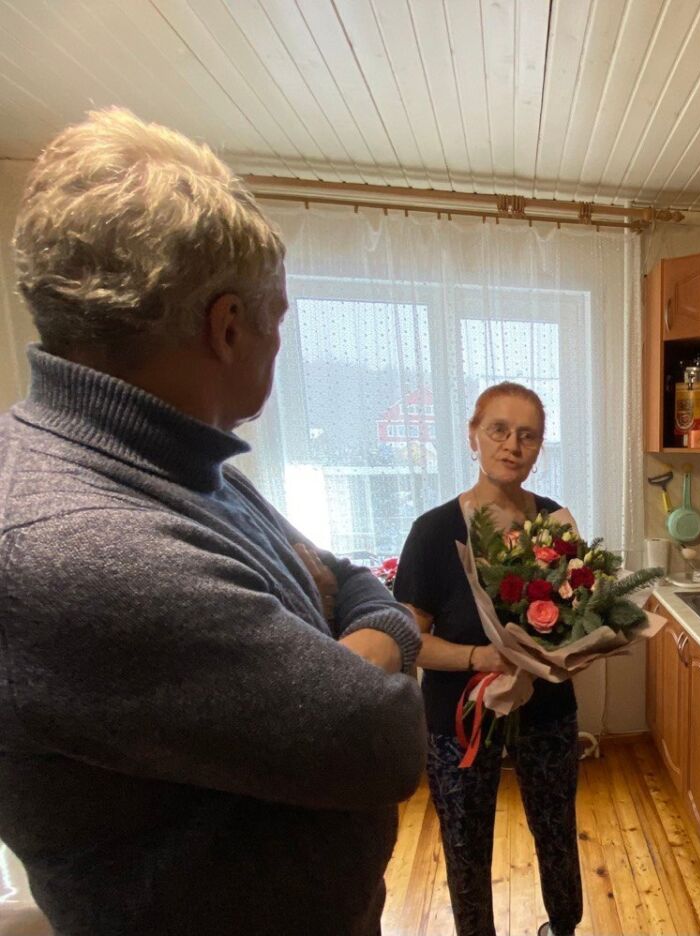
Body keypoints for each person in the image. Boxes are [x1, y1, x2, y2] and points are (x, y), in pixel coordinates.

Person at [0, 108, 427, 936]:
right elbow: (382, 737)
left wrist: (346, 628)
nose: (279, 344)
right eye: (279, 319)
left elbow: (345, 575)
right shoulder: (75, 542)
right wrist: (374, 640)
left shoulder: (176, 463)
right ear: (227, 327)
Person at [393, 383, 583, 936]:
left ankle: (564, 927)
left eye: (528, 436)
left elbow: (579, 615)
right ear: (472, 435)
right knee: (464, 840)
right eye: (498, 430)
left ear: (539, 447)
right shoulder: (433, 532)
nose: (512, 446)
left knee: (556, 827)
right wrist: (481, 657)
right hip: (459, 715)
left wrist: (576, 651)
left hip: (546, 707)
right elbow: (409, 640)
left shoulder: (554, 523)